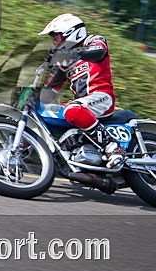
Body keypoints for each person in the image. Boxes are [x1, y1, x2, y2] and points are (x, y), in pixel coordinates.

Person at [39, 13, 124, 169]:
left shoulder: (93, 40)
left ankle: (113, 147)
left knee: (72, 110)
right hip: (82, 103)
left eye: (56, 38)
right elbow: (50, 91)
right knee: (44, 113)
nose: (54, 42)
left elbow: (98, 51)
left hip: (101, 97)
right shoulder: (63, 62)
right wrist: (32, 96)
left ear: (70, 33)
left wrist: (67, 54)